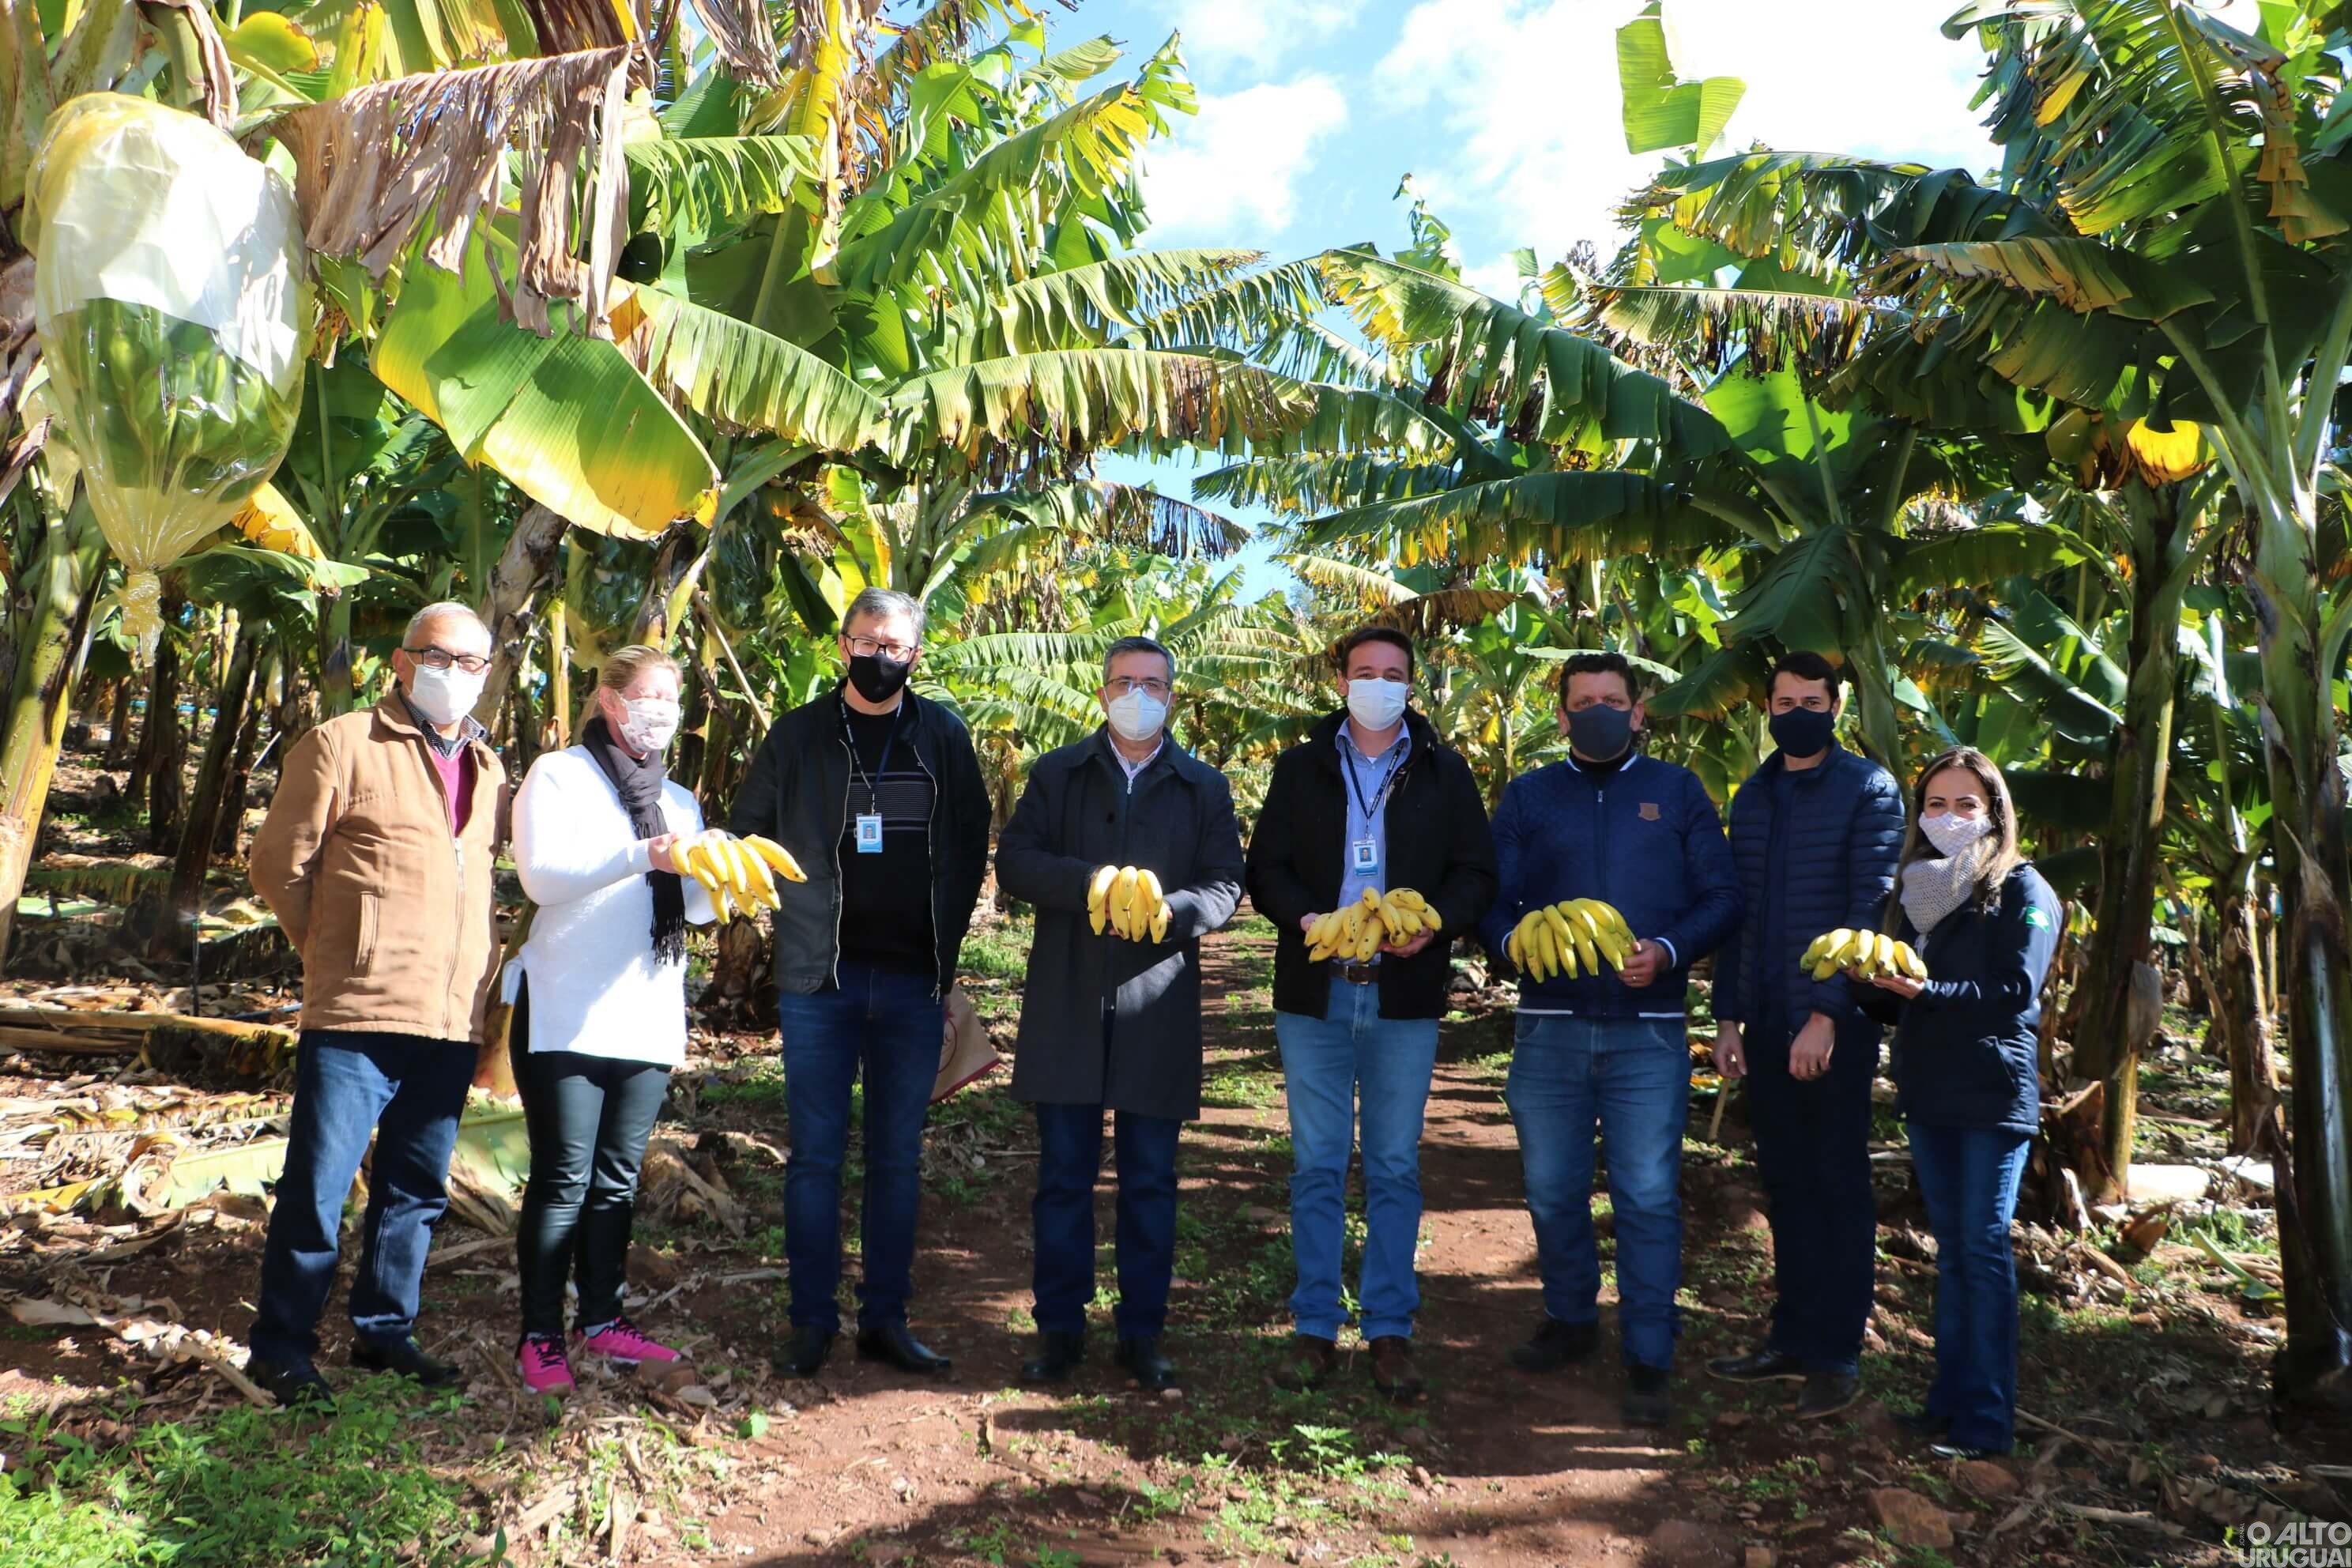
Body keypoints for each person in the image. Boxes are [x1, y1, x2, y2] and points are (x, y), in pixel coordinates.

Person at [244, 603, 507, 1404]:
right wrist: (334, 948)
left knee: (415, 1188)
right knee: (319, 1186)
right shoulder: (342, 743)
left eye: (471, 663)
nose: (455, 674)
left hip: (451, 1013)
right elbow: (276, 867)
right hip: (358, 1011)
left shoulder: (490, 769)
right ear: (401, 662)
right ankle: (281, 1347)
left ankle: (384, 1330)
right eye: (439, 657)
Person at [731, 587, 990, 1380]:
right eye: (868, 643)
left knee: (896, 1159)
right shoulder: (800, 736)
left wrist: (946, 969)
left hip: (913, 983)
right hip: (819, 981)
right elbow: (749, 833)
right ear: (843, 645)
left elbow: (971, 840)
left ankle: (885, 1318)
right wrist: (790, 913)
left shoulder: (942, 735)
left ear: (917, 653)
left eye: (898, 647)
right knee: (814, 1157)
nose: (882, 659)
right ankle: (811, 1320)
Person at [1478, 652, 1740, 1427]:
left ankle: (1650, 1353)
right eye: (1582, 700)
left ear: (1637, 712)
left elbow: (1723, 895)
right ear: (1561, 715)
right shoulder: (1530, 796)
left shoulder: (1676, 791)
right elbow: (1491, 901)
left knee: (1648, 1195)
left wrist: (1667, 948)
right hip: (1550, 1026)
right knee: (1553, 1188)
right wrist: (1511, 947)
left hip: (1650, 1030)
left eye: (1613, 699)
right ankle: (1571, 1319)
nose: (1598, 709)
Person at [1245, 624, 1497, 1400]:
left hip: (1405, 992)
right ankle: (1315, 1328)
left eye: (1393, 673)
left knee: (1392, 1165)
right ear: (1341, 682)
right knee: (1318, 1165)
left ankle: (1389, 1330)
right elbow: (1268, 870)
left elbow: (1475, 872)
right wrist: (1307, 921)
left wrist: (1438, 925)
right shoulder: (1301, 769)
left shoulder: (1445, 773)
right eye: (1364, 671)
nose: (1379, 683)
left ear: (1411, 687)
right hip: (1318, 989)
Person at [996, 637, 1246, 1392]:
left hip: (1156, 999)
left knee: (1149, 1180)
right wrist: (1091, 885)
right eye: (1124, 682)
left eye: (1153, 683)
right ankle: (1060, 1332)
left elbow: (1226, 883)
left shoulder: (1201, 786)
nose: (1138, 693)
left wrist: (1168, 913)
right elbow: (1016, 859)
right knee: (1064, 1177)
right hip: (1067, 998)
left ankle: (1142, 1334)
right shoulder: (1059, 773)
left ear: (1172, 695)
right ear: (1102, 692)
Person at [504, 646, 717, 1395]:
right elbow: (542, 877)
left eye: (674, 697)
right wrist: (642, 854)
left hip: (646, 1014)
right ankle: (538, 1335)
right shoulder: (559, 777)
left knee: (617, 1181)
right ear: (610, 700)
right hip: (565, 1009)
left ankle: (602, 1322)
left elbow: (687, 908)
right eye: (648, 695)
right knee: (563, 1178)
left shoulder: (681, 800)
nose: (662, 709)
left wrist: (720, 878)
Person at [1706, 651, 1905, 1419]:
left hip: (1835, 1026)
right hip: (1765, 1020)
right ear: (1767, 705)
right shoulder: (1753, 795)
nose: (1797, 710)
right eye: (1784, 699)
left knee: (1837, 1186)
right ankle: (1788, 1338)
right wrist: (1728, 1017)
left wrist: (1827, 1012)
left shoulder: (1869, 790)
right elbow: (1737, 913)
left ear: (1836, 706)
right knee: (1785, 1184)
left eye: (1811, 699)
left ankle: (1836, 1352)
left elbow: (1869, 909)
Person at [1862, 748, 2057, 1458]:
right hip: (1929, 1088)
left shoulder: (2022, 890)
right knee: (1953, 1256)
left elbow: (2014, 993)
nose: (1949, 818)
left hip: (1991, 1090)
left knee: (1980, 1249)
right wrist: (1866, 985)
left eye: (1966, 804)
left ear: (1995, 814)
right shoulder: (1914, 895)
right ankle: (1945, 1404)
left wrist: (1926, 995)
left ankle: (1986, 1420)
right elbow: (1901, 1006)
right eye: (1936, 805)